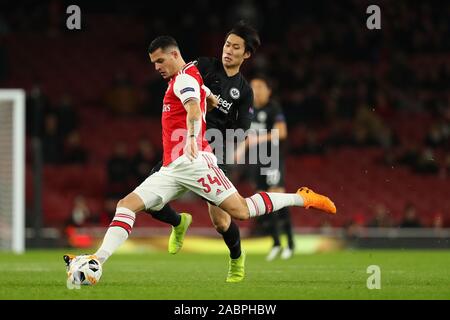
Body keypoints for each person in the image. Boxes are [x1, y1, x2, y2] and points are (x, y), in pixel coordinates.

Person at [64, 35, 336, 285]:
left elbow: (193, 108)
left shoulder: (182, 80)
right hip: (172, 168)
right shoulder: (188, 76)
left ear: (174, 54)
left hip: (196, 163)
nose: (156, 67)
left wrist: (193, 136)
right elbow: (200, 95)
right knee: (127, 205)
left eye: (160, 60)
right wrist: (211, 99)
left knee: (239, 212)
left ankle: (302, 198)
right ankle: (97, 260)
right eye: (153, 63)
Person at [145, 22, 260, 283]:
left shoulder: (244, 91)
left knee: (221, 222)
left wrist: (222, 127)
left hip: (215, 149)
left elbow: (242, 129)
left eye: (236, 47)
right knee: (151, 200)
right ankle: (178, 222)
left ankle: (236, 259)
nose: (228, 50)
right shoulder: (204, 66)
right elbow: (179, 79)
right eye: (226, 44)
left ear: (247, 54)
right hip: (182, 142)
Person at [247, 75, 295, 261]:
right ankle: (275, 243)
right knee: (264, 203)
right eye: (253, 87)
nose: (256, 91)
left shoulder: (273, 108)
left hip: (272, 159)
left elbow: (282, 132)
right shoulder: (248, 109)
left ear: (268, 91)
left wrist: (258, 138)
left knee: (278, 199)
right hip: (256, 160)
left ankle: (289, 243)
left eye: (260, 87)